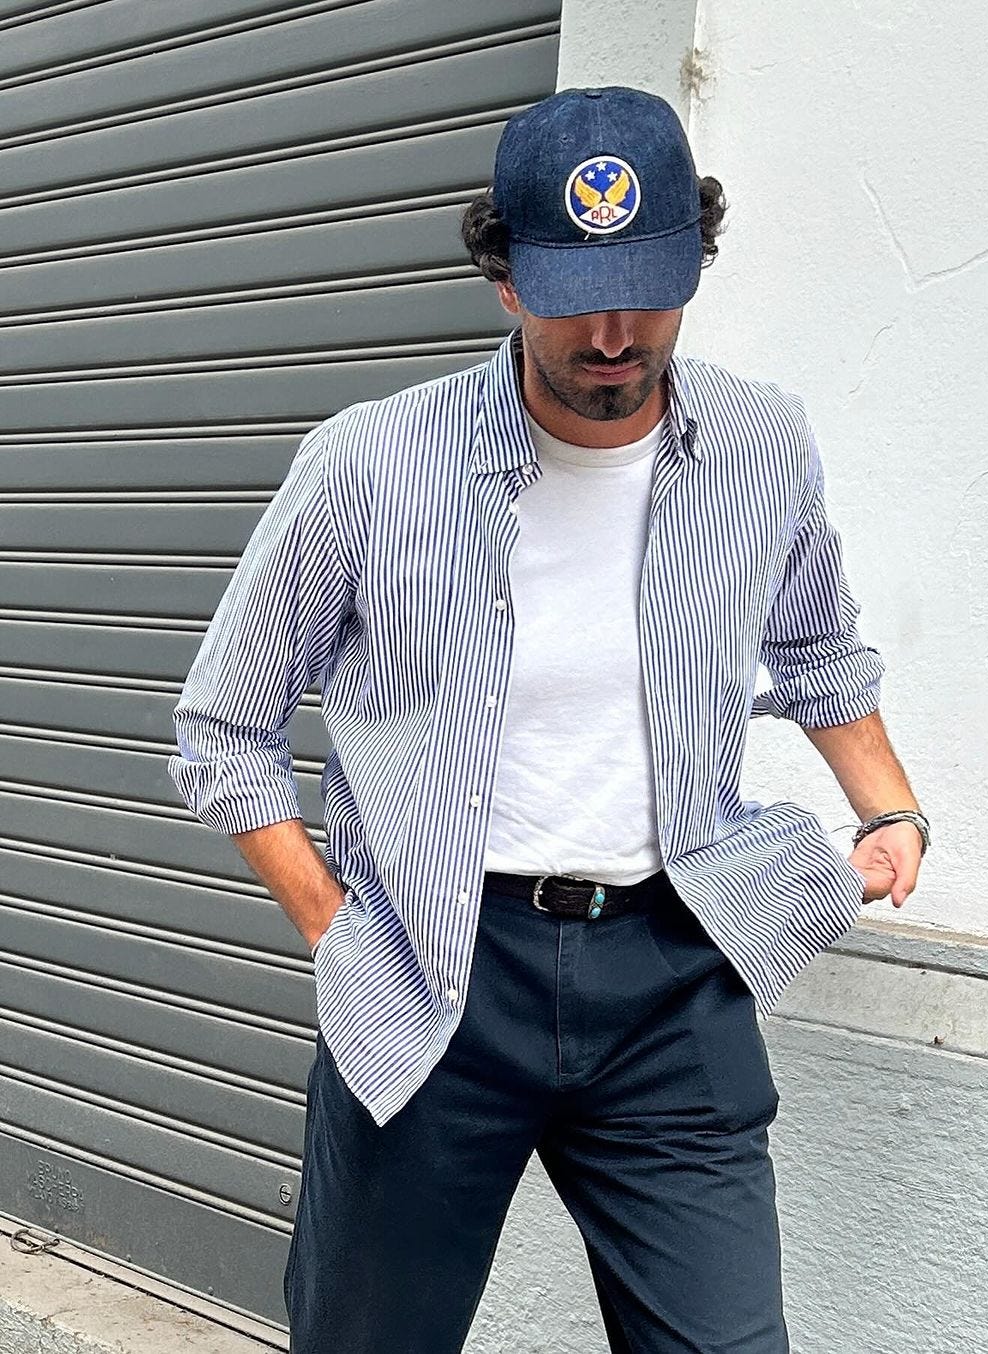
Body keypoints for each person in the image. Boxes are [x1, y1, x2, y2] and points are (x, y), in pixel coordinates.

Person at [169, 85, 928, 1353]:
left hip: (671, 971)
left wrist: (888, 803)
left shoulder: (761, 445)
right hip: (437, 970)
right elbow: (222, 728)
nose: (619, 333)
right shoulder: (373, 464)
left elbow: (815, 646)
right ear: (507, 278)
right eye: (578, 294)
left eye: (652, 286)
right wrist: (341, 932)